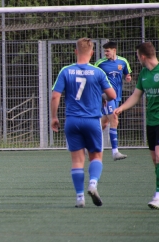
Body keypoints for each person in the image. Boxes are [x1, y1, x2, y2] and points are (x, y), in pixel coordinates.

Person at [50, 38, 116, 208]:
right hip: (92, 120)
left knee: (77, 160)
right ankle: (93, 184)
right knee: (96, 156)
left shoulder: (66, 71)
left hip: (72, 121)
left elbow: (55, 96)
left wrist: (54, 117)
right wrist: (102, 98)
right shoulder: (98, 72)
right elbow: (112, 95)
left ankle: (80, 197)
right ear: (92, 53)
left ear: (75, 51)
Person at [114, 42, 159, 209]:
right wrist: (121, 108)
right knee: (155, 160)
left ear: (142, 56)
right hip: (151, 122)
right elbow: (136, 95)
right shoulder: (144, 74)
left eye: (137, 56)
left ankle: (158, 195)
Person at [95, 41, 132, 161]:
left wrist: (128, 77)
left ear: (114, 50)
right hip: (106, 96)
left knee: (104, 123)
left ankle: (89, 142)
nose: (106, 53)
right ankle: (115, 152)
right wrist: (101, 95)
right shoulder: (100, 63)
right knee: (114, 118)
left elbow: (127, 74)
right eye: (105, 51)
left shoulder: (123, 61)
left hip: (117, 97)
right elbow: (93, 78)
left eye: (108, 51)